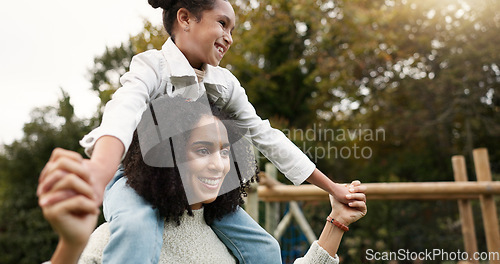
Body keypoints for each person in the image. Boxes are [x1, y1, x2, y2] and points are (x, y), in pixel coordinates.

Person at [38, 0, 354, 263]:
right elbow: (122, 113)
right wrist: (97, 172)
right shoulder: (152, 67)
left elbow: (264, 135)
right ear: (186, 18)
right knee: (135, 227)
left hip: (194, 188)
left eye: (233, 30)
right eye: (222, 23)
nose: (229, 37)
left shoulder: (224, 83)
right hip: (135, 180)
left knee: (265, 247)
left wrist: (331, 188)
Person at [39, 97, 367, 264]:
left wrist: (336, 222)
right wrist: (69, 247)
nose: (219, 165)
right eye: (202, 150)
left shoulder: (231, 241)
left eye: (225, 151)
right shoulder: (116, 240)